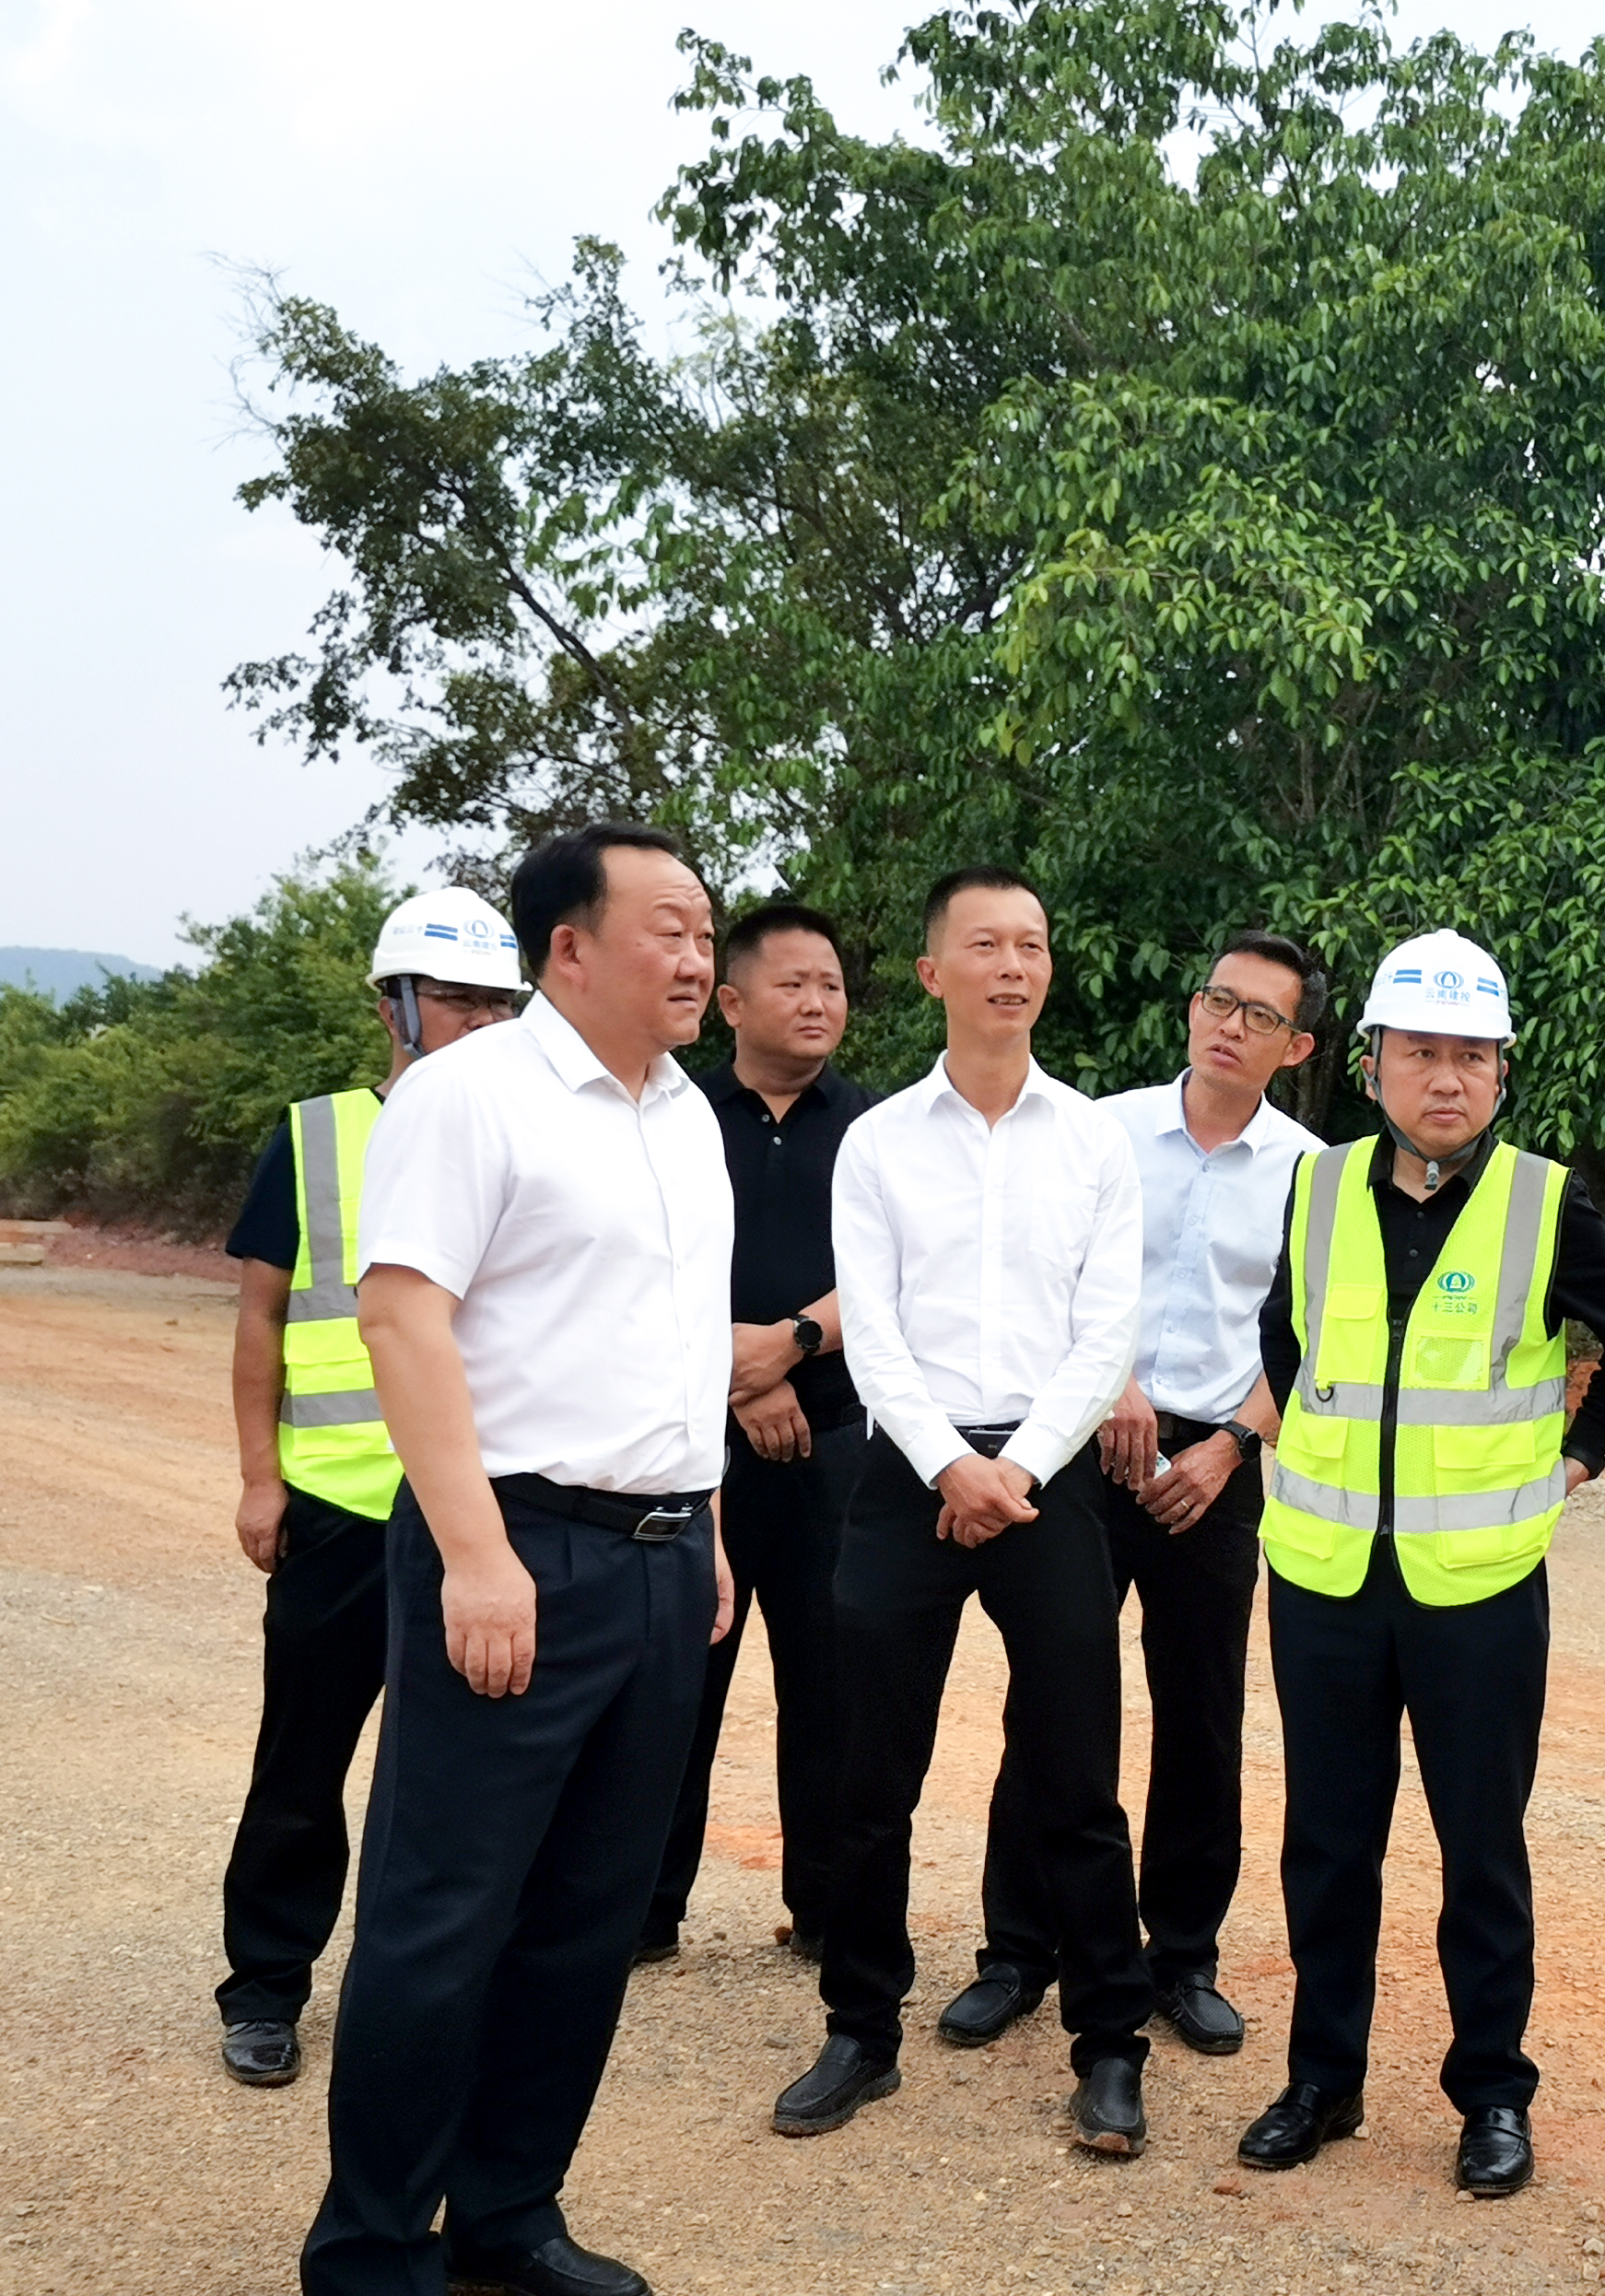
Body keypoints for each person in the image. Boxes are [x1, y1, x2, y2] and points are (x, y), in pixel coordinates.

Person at [301, 825, 736, 2296]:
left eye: (705, 929)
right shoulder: (470, 1095)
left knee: (583, 1923)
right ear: (569, 947)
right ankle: (370, 2249)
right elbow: (402, 1321)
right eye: (668, 928)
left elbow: (672, 1348)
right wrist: (478, 1560)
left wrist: (712, 1529)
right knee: (444, 1916)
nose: (697, 956)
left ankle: (507, 2216)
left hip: (666, 1561)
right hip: (516, 1548)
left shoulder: (686, 1110)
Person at [1234, 931, 1605, 2199]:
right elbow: (1287, 1334)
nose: (1447, 1078)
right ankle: (1323, 2080)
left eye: (1472, 1057)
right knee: (1327, 1840)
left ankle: (1490, 2093)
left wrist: (1578, 1458)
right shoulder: (1318, 1191)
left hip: (1475, 1588)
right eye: (1421, 1052)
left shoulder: (1545, 1202)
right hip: (1321, 1577)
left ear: (1499, 1073)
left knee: (1480, 1847)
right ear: (1371, 1064)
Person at [774, 866, 1158, 2158]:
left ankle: (1109, 2045)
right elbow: (869, 1332)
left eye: (1032, 944)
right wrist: (950, 1468)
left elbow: (1107, 1327)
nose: (1011, 964)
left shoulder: (1093, 1141)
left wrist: (1020, 1473)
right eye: (983, 944)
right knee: (869, 1774)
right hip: (908, 1479)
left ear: (1048, 972)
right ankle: (859, 2031)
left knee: (1076, 1781)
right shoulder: (878, 1142)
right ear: (935, 973)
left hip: (1046, 1484)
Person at [949, 931, 1326, 2058]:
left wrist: (1231, 1449)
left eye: (1260, 1014)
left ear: (1295, 1044)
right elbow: (1043, 1280)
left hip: (1214, 1469)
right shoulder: (1094, 1128)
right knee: (1054, 1696)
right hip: (1078, 1443)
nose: (1228, 1023)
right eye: (1218, 997)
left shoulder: (1315, 1171)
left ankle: (1184, 1953)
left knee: (1202, 1714)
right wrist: (1109, 1388)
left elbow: (1311, 1336)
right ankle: (1018, 1948)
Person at [213, 886, 522, 2090]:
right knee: (304, 1763)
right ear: (393, 1006)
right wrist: (257, 1476)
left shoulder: (527, 1140)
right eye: (455, 1000)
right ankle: (265, 1986)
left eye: (500, 1003)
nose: (482, 1022)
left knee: (465, 1780)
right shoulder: (315, 1135)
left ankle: (438, 2000)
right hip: (338, 1509)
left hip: (480, 1519)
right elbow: (259, 1322)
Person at [638, 903, 878, 1963]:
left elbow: (898, 1278)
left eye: (830, 982)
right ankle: (642, 1911)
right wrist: (737, 1386)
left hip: (836, 1445)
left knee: (832, 1688)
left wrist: (785, 1346)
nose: (818, 1000)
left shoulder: (874, 1130)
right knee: (678, 1679)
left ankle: (826, 1912)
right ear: (732, 1000)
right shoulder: (671, 1115)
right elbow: (643, 1272)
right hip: (693, 1447)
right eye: (793, 982)